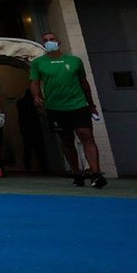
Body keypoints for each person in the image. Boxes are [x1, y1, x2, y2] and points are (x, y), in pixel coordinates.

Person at [29, 32, 107, 188]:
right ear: (43, 44)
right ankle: (76, 172)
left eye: (52, 40)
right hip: (55, 107)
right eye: (45, 41)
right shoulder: (38, 63)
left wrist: (91, 105)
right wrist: (36, 96)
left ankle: (96, 173)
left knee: (86, 135)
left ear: (59, 42)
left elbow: (84, 83)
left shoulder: (74, 61)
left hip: (78, 105)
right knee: (66, 140)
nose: (49, 42)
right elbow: (35, 82)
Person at [16, 88, 48, 172]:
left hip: (25, 128)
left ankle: (27, 167)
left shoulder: (20, 103)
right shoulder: (33, 103)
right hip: (35, 126)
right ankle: (43, 166)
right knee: (39, 148)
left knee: (27, 149)